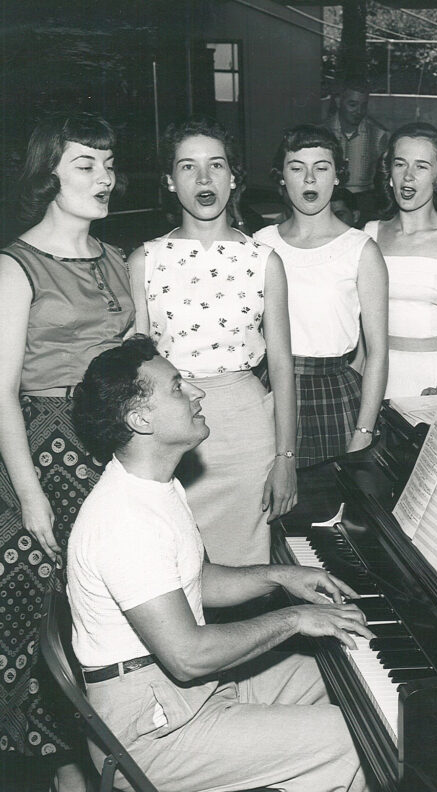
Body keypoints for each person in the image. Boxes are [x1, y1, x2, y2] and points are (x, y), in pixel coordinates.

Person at [67, 335, 369, 792]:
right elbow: (189, 656)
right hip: (153, 729)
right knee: (357, 740)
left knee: (351, 677)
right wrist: (295, 618)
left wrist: (281, 575)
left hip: (190, 692)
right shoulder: (124, 520)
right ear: (140, 418)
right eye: (177, 387)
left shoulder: (157, 486)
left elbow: (197, 581)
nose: (197, 392)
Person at [0, 112, 134, 789]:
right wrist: (30, 499)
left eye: (109, 164)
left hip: (113, 454)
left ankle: (109, 758)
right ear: (48, 171)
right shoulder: (15, 266)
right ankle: (60, 769)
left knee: (107, 612)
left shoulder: (115, 259)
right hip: (45, 457)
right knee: (38, 620)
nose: (104, 177)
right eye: (86, 163)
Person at [128, 116, 296, 566]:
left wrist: (285, 456)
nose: (204, 179)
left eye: (216, 165)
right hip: (169, 427)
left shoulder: (264, 260)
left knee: (245, 571)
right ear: (169, 180)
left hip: (247, 432)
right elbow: (137, 364)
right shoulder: (146, 259)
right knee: (169, 568)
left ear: (233, 176)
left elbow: (281, 365)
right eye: (188, 167)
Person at [254, 124, 388, 463]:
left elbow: (378, 354)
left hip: (332, 393)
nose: (310, 179)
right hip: (266, 390)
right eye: (297, 168)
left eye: (322, 168)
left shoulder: (361, 249)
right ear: (282, 177)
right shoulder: (259, 244)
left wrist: (364, 431)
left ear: (338, 177)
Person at [365, 122, 437, 398]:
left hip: (436, 380)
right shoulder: (367, 235)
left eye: (421, 166)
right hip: (374, 379)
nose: (408, 176)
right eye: (400, 164)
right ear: (389, 173)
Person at [323, 76, 389, 223]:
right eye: (352, 104)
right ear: (339, 102)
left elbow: (384, 177)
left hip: (365, 204)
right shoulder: (322, 132)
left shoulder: (379, 134)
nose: (359, 111)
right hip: (328, 202)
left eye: (363, 105)